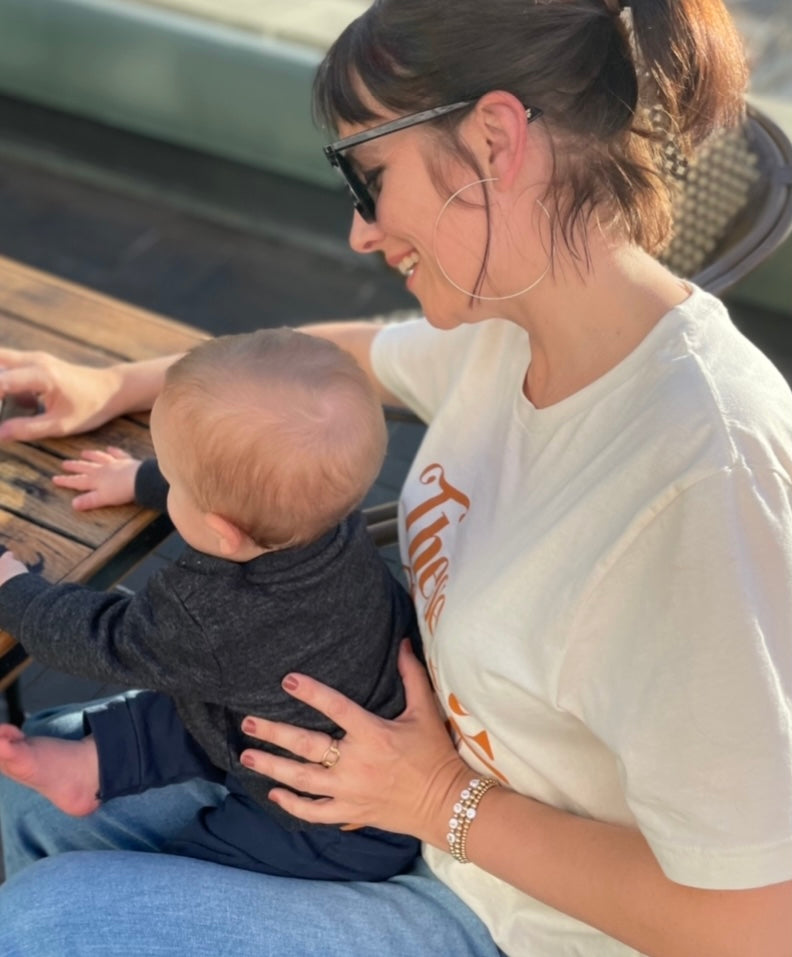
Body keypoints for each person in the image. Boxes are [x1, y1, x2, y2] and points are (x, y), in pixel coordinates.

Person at [0, 0, 790, 953]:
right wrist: (118, 381)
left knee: (44, 923)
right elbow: (360, 355)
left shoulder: (703, 485)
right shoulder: (516, 323)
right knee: (19, 806)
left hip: (516, 914)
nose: (360, 234)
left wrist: (437, 797)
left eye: (366, 175)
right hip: (382, 794)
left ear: (495, 139)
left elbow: (756, 922)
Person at [0, 327, 420, 882]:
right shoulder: (326, 517)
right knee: (193, 689)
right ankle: (89, 766)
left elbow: (100, 639)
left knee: (194, 862)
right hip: (308, 711)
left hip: (326, 828)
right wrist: (143, 480)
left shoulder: (211, 614)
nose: (166, 486)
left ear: (221, 532)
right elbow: (232, 490)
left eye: (171, 481)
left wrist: (15, 592)